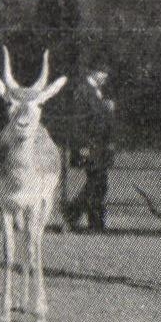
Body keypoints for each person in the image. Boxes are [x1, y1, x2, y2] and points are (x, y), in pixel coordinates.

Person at [64, 68, 117, 232]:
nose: (106, 77)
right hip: (89, 146)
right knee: (97, 182)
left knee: (98, 183)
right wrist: (82, 146)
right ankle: (89, 220)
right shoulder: (83, 91)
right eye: (103, 72)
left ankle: (81, 217)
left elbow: (98, 117)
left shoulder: (96, 91)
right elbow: (78, 122)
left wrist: (107, 108)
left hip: (99, 146)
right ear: (94, 72)